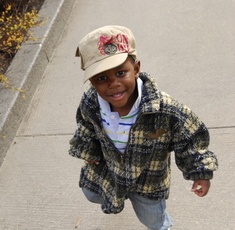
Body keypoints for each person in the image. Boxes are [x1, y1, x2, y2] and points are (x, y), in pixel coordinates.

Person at [69, 25, 218, 230]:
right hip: (110, 171)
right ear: (92, 81)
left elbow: (192, 138)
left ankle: (162, 225)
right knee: (92, 193)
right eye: (101, 78)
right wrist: (88, 149)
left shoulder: (164, 109)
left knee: (153, 219)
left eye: (121, 72)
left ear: (136, 69)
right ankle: (120, 195)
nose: (113, 84)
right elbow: (85, 124)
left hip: (148, 181)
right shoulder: (91, 102)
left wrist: (200, 171)